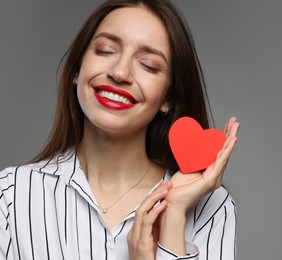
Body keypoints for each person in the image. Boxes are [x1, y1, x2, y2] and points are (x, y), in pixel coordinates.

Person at [0, 0, 239, 259]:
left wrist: (173, 219)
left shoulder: (211, 208)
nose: (120, 72)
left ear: (167, 99)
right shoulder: (11, 195)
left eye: (148, 64)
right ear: (77, 71)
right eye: (105, 50)